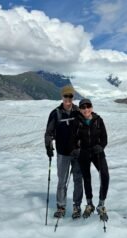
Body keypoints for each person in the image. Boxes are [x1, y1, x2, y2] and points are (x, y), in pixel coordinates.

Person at [44, 85, 83, 219]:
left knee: (78, 180)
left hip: (77, 152)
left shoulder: (78, 112)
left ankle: (76, 207)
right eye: (66, 96)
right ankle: (61, 207)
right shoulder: (55, 113)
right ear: (62, 97)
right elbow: (49, 133)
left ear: (73, 97)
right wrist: (48, 146)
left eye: (70, 96)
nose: (68, 99)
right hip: (62, 152)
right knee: (62, 181)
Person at [72, 98, 109, 221]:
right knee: (86, 178)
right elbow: (73, 138)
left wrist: (101, 146)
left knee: (104, 175)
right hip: (84, 152)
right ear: (80, 109)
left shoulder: (98, 120)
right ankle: (89, 204)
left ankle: (101, 203)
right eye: (83, 107)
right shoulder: (77, 121)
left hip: (97, 152)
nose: (86, 109)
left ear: (91, 108)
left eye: (88, 106)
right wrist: (76, 148)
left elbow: (104, 137)